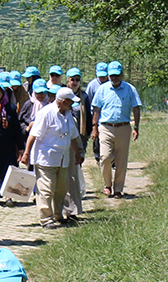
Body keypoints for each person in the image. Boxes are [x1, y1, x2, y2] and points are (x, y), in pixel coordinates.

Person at [21, 85, 80, 229]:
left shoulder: (68, 115)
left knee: (61, 189)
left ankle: (58, 214)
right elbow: (33, 135)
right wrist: (27, 153)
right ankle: (46, 219)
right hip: (46, 159)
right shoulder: (46, 113)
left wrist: (78, 152)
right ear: (63, 101)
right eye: (71, 101)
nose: (73, 104)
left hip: (63, 158)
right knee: (46, 189)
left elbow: (72, 136)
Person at [91, 61, 141, 199]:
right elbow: (96, 108)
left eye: (116, 75)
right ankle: (107, 185)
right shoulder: (103, 89)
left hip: (123, 127)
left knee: (121, 161)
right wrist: (94, 127)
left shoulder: (130, 89)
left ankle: (118, 189)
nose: (114, 78)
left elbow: (136, 108)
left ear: (121, 74)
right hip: (106, 127)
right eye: (111, 76)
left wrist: (136, 127)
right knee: (105, 157)